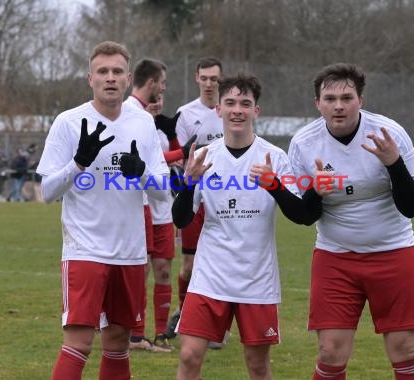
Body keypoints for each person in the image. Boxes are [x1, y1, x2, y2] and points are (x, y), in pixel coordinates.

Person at [288, 63, 414, 380]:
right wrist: (317, 192)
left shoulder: (389, 134)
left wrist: (393, 164)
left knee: (405, 350)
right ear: (318, 103)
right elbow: (304, 216)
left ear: (360, 100)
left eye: (346, 97)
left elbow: (412, 206)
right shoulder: (303, 143)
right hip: (335, 256)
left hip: (394, 251)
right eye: (329, 98)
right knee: (330, 352)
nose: (338, 105)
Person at [36, 41, 169, 380]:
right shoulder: (69, 122)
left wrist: (141, 172)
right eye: (102, 72)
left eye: (117, 72)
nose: (110, 78)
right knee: (78, 343)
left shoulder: (143, 124)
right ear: (90, 78)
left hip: (130, 253)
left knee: (118, 341)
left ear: (127, 79)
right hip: (85, 250)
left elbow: (163, 191)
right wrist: (78, 162)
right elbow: (48, 192)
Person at [172, 72, 300, 380]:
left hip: (256, 279)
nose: (237, 110)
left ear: (256, 110)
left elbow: (301, 215)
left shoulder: (275, 158)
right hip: (210, 276)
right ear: (219, 110)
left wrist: (276, 187)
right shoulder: (204, 157)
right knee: (189, 357)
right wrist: (188, 183)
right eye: (229, 102)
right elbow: (181, 219)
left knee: (257, 366)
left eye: (245, 103)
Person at [166, 57, 226, 349]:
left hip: (225, 195)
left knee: (223, 261)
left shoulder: (230, 109)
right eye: (205, 77)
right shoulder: (185, 113)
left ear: (221, 79)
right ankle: (182, 311)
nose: (209, 83)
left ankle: (219, 325)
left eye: (214, 78)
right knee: (188, 266)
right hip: (193, 196)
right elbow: (176, 154)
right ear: (197, 79)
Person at [123, 58, 176, 353]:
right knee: (139, 270)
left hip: (162, 207)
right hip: (142, 203)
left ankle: (159, 335)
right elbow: (137, 160)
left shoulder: (148, 117)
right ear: (152, 83)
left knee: (163, 269)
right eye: (163, 83)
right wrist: (182, 153)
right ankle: (134, 333)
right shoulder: (129, 113)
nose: (164, 90)